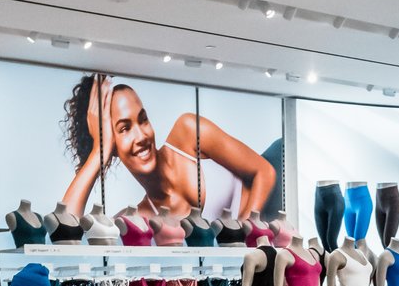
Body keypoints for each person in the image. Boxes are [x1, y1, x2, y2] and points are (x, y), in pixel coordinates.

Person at [57, 74, 276, 223]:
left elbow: (264, 172)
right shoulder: (137, 218)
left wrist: (243, 237)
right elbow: (65, 230)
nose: (141, 135)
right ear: (111, 143)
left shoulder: (189, 133)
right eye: (124, 128)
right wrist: (98, 153)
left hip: (277, 199)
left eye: (143, 120)